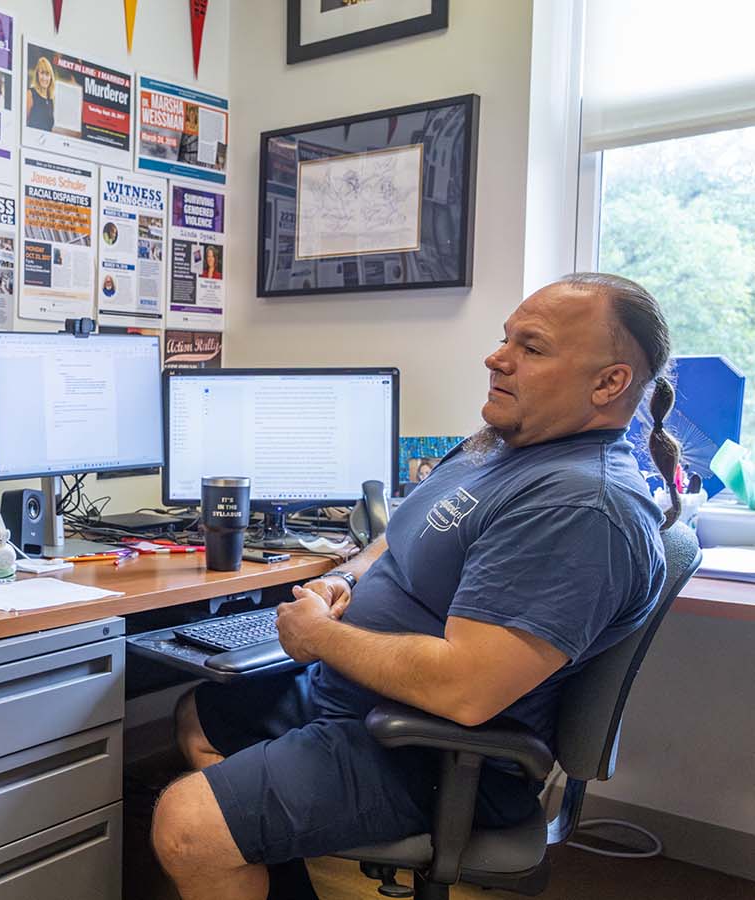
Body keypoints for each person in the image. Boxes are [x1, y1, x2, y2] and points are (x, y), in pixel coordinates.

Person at [151, 273, 677, 900]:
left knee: (187, 827)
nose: (496, 357)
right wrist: (341, 579)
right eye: (504, 338)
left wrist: (319, 638)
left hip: (433, 753)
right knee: (198, 717)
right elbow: (398, 534)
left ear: (609, 383)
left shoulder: (578, 508)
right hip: (355, 702)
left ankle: (232, 841)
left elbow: (466, 690)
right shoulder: (502, 447)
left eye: (530, 349)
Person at [26, 55, 56, 133]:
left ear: (51, 77)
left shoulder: (51, 100)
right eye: (42, 73)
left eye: (47, 74)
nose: (44, 78)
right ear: (37, 74)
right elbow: (23, 122)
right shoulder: (30, 94)